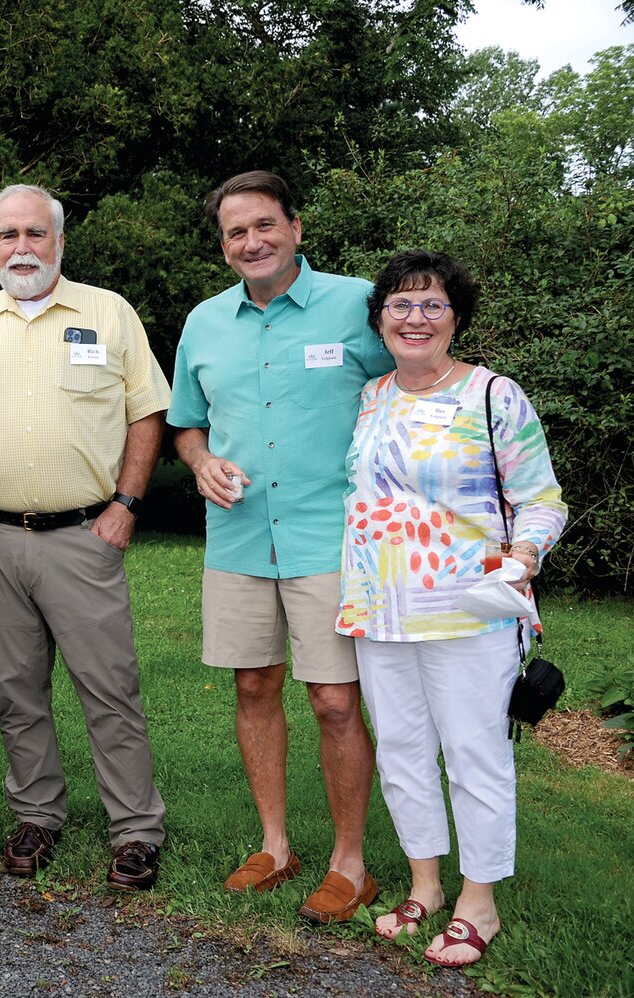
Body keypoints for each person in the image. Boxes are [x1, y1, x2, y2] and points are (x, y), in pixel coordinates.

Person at [168, 170, 393, 923]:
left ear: (295, 227)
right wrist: (199, 463)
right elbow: (186, 421)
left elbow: (409, 393)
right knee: (254, 687)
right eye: (236, 232)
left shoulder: (355, 304)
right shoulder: (203, 322)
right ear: (223, 245)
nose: (251, 241)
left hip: (332, 537)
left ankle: (349, 864)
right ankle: (275, 845)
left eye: (264, 225)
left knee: (332, 700)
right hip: (236, 536)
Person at [338, 250, 566, 967]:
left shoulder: (493, 395)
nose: (415, 317)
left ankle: (478, 901)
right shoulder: (371, 396)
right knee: (403, 755)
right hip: (379, 609)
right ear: (380, 320)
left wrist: (524, 556)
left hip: (469, 610)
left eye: (431, 304)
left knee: (475, 757)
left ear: (455, 318)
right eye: (400, 304)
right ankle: (424, 883)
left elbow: (541, 499)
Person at [0, 183, 169, 890]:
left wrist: (126, 503)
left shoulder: (108, 313)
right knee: (15, 689)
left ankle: (135, 829)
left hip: (84, 533)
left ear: (59, 242)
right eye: (7, 236)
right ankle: (35, 814)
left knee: (109, 689)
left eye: (35, 234)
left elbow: (145, 411)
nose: (21, 248)